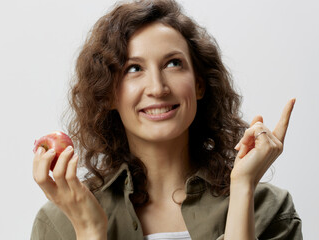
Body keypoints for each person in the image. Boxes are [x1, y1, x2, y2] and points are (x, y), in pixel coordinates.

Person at [31, 0, 302, 239]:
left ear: (199, 84)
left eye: (173, 63)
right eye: (134, 69)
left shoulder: (268, 209)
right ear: (108, 95)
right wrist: (89, 231)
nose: (158, 88)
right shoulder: (59, 223)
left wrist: (243, 187)